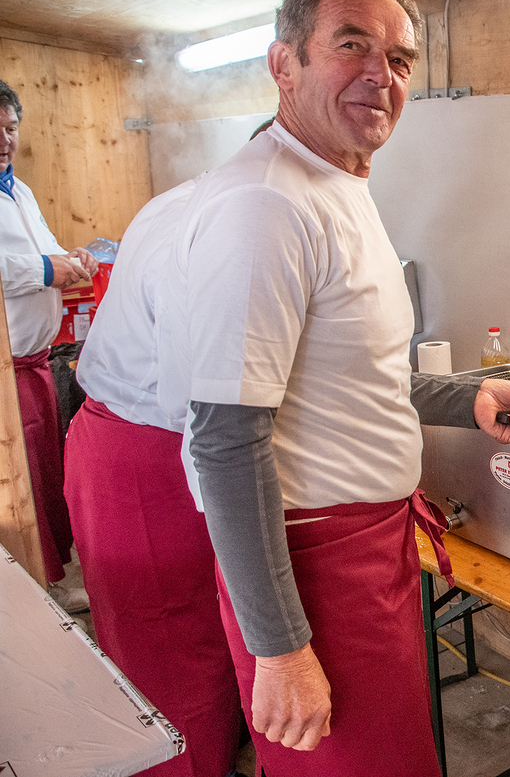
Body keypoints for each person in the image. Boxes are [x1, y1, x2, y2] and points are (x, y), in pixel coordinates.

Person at [156, 0, 510, 775]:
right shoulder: (266, 205)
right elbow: (226, 439)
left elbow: (346, 376)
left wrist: (468, 395)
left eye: (401, 59)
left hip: (365, 549)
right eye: (352, 45)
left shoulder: (333, 181)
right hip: (314, 565)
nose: (382, 74)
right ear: (284, 64)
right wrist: (281, 647)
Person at [65, 174, 249, 777]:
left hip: (130, 443)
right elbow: (202, 400)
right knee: (171, 651)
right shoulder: (222, 229)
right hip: (148, 461)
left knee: (199, 638)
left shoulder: (197, 197)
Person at [0, 78, 97, 609]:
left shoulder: (20, 190)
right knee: (21, 480)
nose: (5, 141)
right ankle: (35, 584)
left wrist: (71, 256)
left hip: (35, 361)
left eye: (11, 128)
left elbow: (45, 248)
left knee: (43, 468)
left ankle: (51, 572)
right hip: (6, 370)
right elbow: (16, 266)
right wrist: (44, 269)